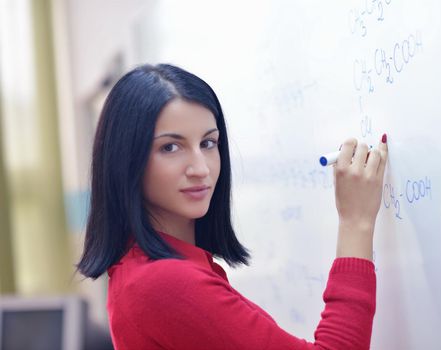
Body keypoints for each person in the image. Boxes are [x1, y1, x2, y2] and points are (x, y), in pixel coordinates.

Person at [76, 63, 388, 349]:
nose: (200, 167)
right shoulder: (163, 283)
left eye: (208, 143)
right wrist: (355, 222)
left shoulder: (144, 268)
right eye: (170, 147)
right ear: (126, 161)